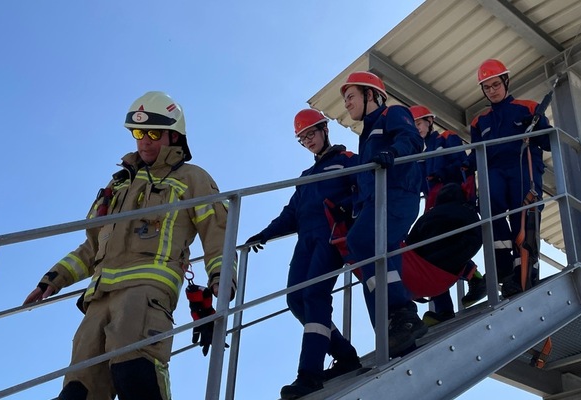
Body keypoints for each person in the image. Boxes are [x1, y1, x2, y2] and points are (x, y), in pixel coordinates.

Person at [23, 91, 236, 400]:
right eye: (138, 133)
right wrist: (52, 280)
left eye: (153, 133)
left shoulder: (191, 177)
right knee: (77, 391)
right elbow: (92, 247)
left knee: (136, 374)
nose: (144, 141)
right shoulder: (117, 185)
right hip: (98, 300)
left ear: (174, 136)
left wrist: (221, 277)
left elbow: (218, 231)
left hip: (145, 293)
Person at [245, 109, 362, 400]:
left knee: (314, 296)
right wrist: (265, 234)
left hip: (331, 237)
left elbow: (365, 188)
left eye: (311, 134)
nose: (308, 141)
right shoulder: (305, 177)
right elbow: (291, 214)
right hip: (305, 242)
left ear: (324, 129)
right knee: (295, 298)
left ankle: (309, 374)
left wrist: (351, 210)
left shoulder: (346, 160)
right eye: (302, 138)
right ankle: (345, 355)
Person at [340, 71, 426, 357]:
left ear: (371, 95)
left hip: (398, 193)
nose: (347, 104)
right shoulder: (365, 138)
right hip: (375, 201)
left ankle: (403, 313)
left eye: (351, 96)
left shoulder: (394, 113)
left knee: (360, 242)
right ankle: (396, 334)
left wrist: (393, 152)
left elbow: (411, 139)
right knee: (378, 258)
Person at [465, 59, 552, 298]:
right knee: (490, 214)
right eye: (487, 87)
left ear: (505, 82)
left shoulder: (528, 108)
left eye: (495, 85)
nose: (492, 91)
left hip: (523, 171)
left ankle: (524, 274)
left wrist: (537, 128)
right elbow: (475, 155)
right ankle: (504, 271)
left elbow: (549, 143)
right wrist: (461, 165)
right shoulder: (479, 121)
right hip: (494, 173)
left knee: (523, 220)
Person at [409, 105, 486, 326]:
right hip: (433, 208)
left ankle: (475, 280)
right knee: (425, 252)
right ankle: (443, 308)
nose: (417, 129)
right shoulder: (419, 157)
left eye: (419, 123)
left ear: (429, 122)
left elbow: (462, 163)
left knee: (445, 246)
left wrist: (439, 175)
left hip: (453, 200)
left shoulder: (446, 138)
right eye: (412, 126)